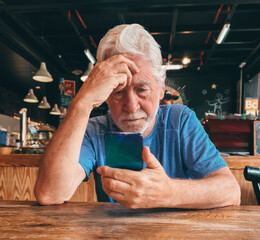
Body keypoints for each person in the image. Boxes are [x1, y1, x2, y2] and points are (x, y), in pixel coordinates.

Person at [34, 24, 240, 209]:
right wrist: (82, 102)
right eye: (117, 91)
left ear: (160, 89)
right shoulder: (93, 130)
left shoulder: (180, 120)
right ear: (104, 94)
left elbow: (231, 191)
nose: (131, 107)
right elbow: (50, 194)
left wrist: (167, 192)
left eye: (142, 89)